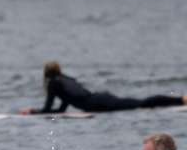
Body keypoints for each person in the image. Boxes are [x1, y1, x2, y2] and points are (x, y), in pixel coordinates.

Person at [22, 61, 187, 114]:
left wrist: (33, 112)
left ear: (46, 73)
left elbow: (49, 108)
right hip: (100, 98)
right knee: (140, 103)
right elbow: (63, 108)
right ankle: (179, 100)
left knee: (142, 104)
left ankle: (180, 100)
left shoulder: (53, 84)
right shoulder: (66, 79)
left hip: (97, 104)